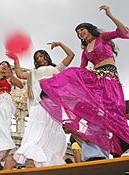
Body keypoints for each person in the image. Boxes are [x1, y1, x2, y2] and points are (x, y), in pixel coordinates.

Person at [39, 5, 129, 156]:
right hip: (97, 79)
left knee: (113, 109)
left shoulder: (102, 38)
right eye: (78, 32)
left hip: (110, 78)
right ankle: (50, 89)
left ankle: (123, 141)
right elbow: (82, 70)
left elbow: (124, 32)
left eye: (82, 30)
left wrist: (110, 15)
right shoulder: (85, 51)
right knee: (74, 76)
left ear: (89, 29)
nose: (80, 33)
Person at [6, 41, 75, 168]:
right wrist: (16, 60)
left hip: (55, 104)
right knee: (37, 131)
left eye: (42, 56)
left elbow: (71, 55)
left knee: (52, 130)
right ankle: (31, 160)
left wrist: (60, 44)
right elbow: (20, 74)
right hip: (42, 102)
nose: (40, 59)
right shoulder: (34, 72)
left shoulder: (57, 68)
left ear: (47, 57)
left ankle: (43, 163)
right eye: (37, 58)